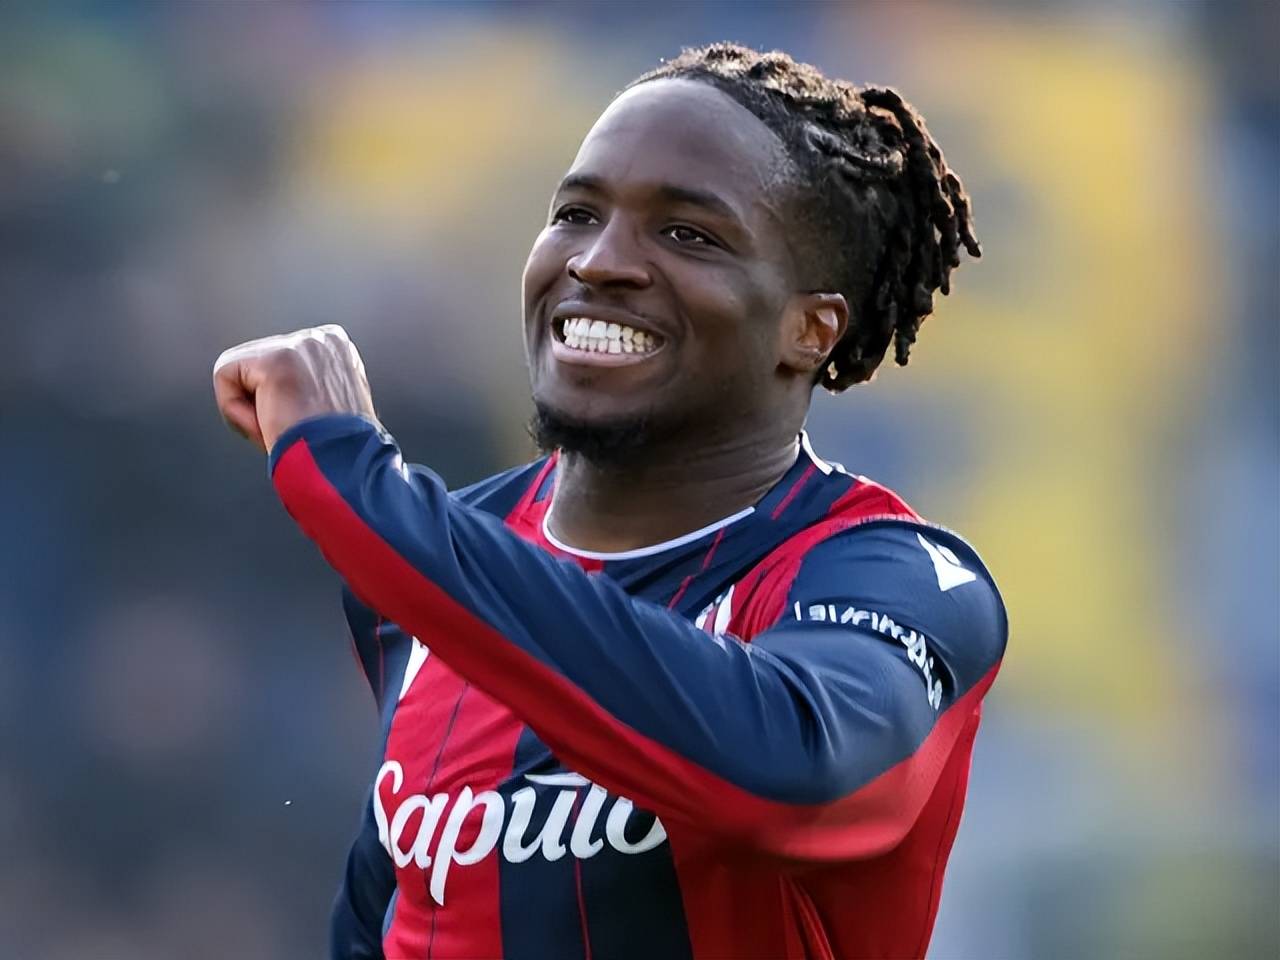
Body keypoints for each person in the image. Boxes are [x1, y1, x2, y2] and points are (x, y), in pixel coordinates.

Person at [213, 43, 1006, 960]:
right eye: (576, 213)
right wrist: (391, 524)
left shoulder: (897, 579)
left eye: (688, 235)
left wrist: (361, 489)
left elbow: (786, 777)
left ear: (809, 329)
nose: (598, 262)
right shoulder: (431, 565)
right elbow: (389, 919)